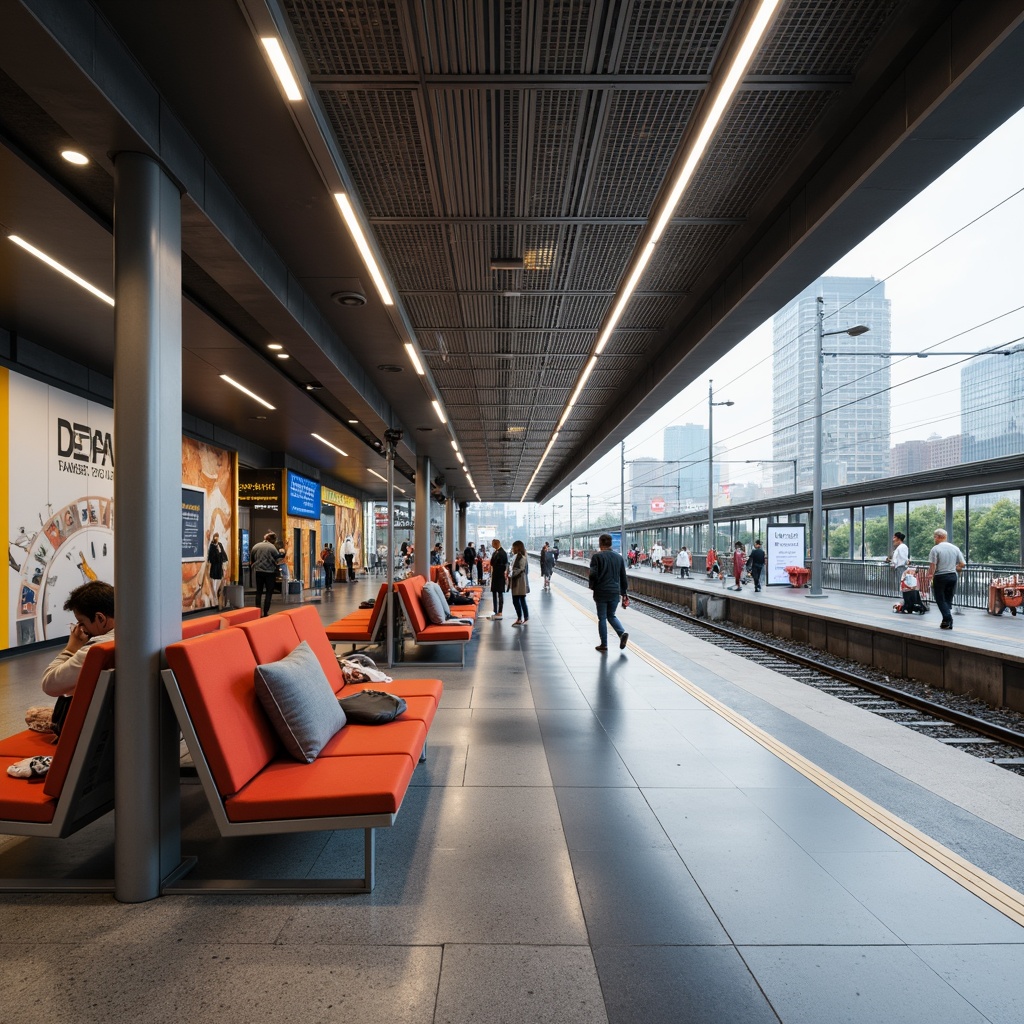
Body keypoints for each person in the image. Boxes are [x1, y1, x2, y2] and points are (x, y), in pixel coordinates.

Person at [42, 580, 116, 697]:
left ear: (100, 618)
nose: (82, 629)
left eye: (82, 622)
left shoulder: (93, 651)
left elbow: (49, 684)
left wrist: (71, 649)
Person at [589, 533, 629, 652]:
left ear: (600, 543)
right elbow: (623, 576)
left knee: (602, 618)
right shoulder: (619, 557)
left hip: (601, 591)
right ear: (610, 543)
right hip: (614, 592)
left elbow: (593, 574)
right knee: (611, 615)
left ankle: (604, 644)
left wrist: (592, 586)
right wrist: (624, 592)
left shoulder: (596, 557)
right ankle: (621, 633)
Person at [929, 528, 965, 630]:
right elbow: (963, 564)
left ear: (937, 537)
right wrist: (955, 568)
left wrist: (930, 576)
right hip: (953, 576)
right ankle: (945, 622)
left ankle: (948, 618)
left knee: (940, 599)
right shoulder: (955, 548)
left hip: (940, 577)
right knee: (948, 598)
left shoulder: (935, 549)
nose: (934, 539)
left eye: (934, 537)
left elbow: (933, 566)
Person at [251, 531, 283, 616]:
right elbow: (278, 560)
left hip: (258, 572)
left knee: (259, 592)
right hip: (270, 572)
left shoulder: (256, 546)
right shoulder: (272, 548)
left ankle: (257, 612)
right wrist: (282, 554)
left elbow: (252, 558)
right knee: (269, 592)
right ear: (273, 540)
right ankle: (265, 612)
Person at [509, 540, 530, 625]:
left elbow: (519, 569)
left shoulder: (522, 557)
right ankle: (523, 617)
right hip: (517, 581)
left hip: (519, 581)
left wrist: (511, 573)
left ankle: (522, 618)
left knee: (518, 600)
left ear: (517, 548)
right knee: (519, 600)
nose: (512, 549)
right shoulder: (516, 556)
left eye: (513, 547)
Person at [487, 538, 508, 620]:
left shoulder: (502, 553)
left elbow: (502, 564)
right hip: (495, 575)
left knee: (500, 593)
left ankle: (500, 611)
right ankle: (495, 610)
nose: (492, 545)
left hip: (499, 576)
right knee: (494, 593)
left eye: (493, 544)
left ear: (496, 544)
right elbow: (492, 562)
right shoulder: (495, 552)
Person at [206, 531, 228, 607]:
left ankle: (216, 598)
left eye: (217, 536)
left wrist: (224, 560)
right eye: (215, 536)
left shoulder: (220, 545)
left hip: (219, 565)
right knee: (214, 582)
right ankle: (215, 598)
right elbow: (211, 557)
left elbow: (223, 553)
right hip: (214, 566)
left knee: (219, 582)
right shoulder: (212, 546)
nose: (217, 538)